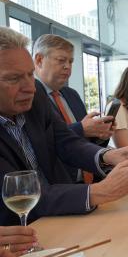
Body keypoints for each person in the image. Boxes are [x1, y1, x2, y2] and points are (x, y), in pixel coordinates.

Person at [0, 26, 128, 226]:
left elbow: (66, 141)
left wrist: (107, 156)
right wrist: (101, 191)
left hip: (62, 215)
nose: (29, 87)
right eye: (14, 78)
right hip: (19, 234)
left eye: (30, 75)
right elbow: (18, 196)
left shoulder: (36, 98)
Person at [33, 34, 114, 183]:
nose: (67, 67)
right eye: (61, 60)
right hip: (61, 188)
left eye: (70, 61)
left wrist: (99, 134)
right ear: (39, 60)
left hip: (90, 181)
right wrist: (81, 128)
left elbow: (85, 142)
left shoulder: (72, 95)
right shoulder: (31, 98)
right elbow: (45, 143)